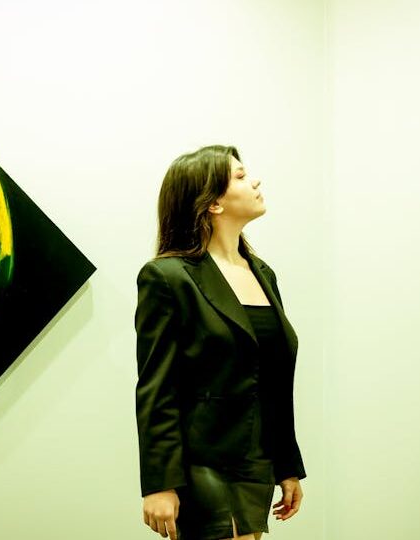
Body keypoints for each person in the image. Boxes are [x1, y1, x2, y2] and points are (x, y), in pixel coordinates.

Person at [135, 145, 306, 540]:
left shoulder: (262, 273)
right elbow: (156, 387)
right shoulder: (167, 277)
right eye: (242, 176)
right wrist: (158, 483)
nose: (255, 181)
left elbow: (273, 381)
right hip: (201, 463)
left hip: (256, 461)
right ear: (212, 203)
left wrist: (287, 465)